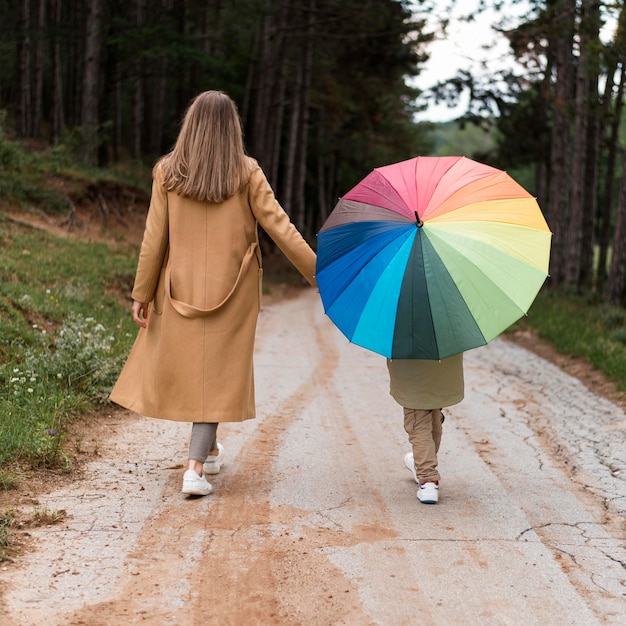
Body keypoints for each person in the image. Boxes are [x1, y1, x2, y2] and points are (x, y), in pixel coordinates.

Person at [110, 90, 316, 496]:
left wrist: (143, 292)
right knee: (216, 372)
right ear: (231, 128)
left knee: (205, 373)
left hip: (178, 288)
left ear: (190, 124)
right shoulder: (247, 172)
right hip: (234, 290)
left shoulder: (167, 172)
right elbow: (280, 226)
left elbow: (154, 239)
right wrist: (318, 274)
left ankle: (209, 448)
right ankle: (195, 470)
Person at [387, 353, 464, 504]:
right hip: (443, 362)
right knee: (434, 413)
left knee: (418, 420)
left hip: (412, 368)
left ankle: (428, 480)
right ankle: (422, 464)